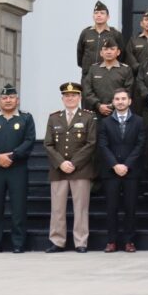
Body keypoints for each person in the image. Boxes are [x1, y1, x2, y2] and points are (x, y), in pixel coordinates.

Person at [0, 83, 35, 254]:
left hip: (18, 168)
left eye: (11, 97)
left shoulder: (25, 118)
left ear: (17, 100)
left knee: (19, 207)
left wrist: (13, 155)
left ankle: (18, 243)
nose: (8, 100)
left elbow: (29, 140)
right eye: (4, 98)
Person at [44, 82, 97, 254]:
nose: (70, 98)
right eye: (67, 96)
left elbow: (91, 143)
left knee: (80, 208)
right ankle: (57, 241)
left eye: (74, 95)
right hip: (58, 170)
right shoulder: (54, 118)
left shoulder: (88, 117)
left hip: (80, 169)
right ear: (62, 98)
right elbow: (48, 144)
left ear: (80, 97)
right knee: (57, 208)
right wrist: (61, 163)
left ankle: (80, 241)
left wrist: (73, 163)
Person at [98, 88, 144, 253]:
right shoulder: (105, 122)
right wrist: (115, 165)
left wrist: (127, 165)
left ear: (130, 101)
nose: (120, 101)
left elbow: (140, 145)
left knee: (130, 207)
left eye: (123, 98)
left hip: (131, 171)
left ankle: (129, 242)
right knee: (112, 207)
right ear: (113, 102)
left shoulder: (138, 121)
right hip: (111, 172)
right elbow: (102, 146)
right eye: (117, 99)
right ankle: (111, 241)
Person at [81, 38, 134, 119]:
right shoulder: (93, 69)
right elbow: (87, 90)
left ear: (118, 52)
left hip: (118, 112)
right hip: (96, 112)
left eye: (112, 49)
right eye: (105, 49)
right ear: (101, 53)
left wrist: (113, 105)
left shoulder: (125, 69)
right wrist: (98, 105)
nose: (109, 52)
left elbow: (129, 90)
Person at [76, 0, 123, 75]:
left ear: (108, 17)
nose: (98, 15)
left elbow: (121, 56)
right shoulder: (86, 33)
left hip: (108, 75)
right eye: (96, 13)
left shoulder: (115, 34)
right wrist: (86, 67)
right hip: (88, 75)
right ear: (93, 16)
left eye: (102, 13)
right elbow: (80, 54)